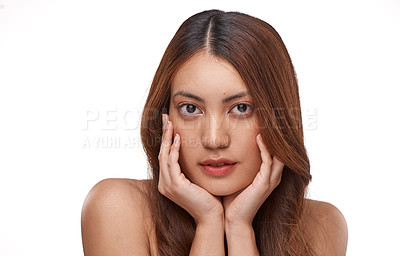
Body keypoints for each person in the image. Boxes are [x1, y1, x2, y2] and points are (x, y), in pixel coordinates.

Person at [81, 10, 348, 256]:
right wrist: (208, 223)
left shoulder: (320, 224)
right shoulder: (117, 207)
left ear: (279, 119)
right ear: (165, 117)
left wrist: (239, 227)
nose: (213, 139)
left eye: (241, 108)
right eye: (190, 108)